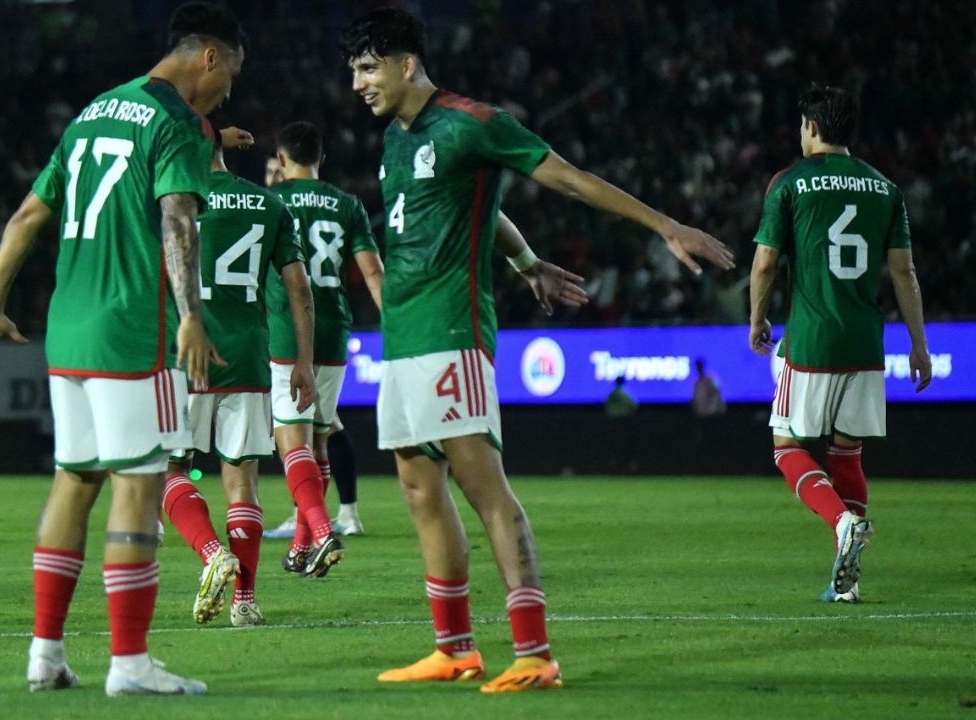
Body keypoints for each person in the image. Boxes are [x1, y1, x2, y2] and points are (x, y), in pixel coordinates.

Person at [341, 8, 734, 693]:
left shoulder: (473, 121)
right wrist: (528, 262)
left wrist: (664, 225)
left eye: (368, 68)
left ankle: (535, 652)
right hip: (401, 336)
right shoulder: (399, 141)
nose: (358, 84)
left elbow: (568, 177)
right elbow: (478, 212)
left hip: (451, 333)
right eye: (353, 71)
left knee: (482, 485)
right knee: (416, 486)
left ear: (408, 65)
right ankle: (454, 648)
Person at [0, 2, 244, 696]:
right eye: (230, 74)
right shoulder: (176, 122)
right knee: (138, 485)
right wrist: (190, 316)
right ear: (209, 57)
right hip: (126, 330)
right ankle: (130, 664)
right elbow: (178, 219)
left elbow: (28, 215)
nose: (228, 90)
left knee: (73, 480)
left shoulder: (92, 112)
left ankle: (44, 655)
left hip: (70, 329)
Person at [749, 85, 931, 604]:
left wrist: (757, 320)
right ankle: (847, 582)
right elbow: (904, 272)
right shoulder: (886, 188)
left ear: (810, 126)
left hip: (809, 338)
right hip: (864, 342)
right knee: (847, 454)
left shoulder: (789, 184)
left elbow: (765, 263)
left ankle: (842, 522)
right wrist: (918, 345)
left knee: (787, 448)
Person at [161, 141, 319, 629]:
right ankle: (245, 602)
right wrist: (304, 362)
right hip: (249, 357)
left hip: (186, 352)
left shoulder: (178, 198)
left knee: (170, 470)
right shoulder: (270, 204)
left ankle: (212, 554)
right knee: (242, 483)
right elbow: (299, 288)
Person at [263, 121, 384, 558]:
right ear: (322, 160)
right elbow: (372, 272)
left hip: (285, 328)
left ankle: (315, 531)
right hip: (334, 328)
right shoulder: (346, 205)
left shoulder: (270, 200)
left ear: (280, 159)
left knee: (290, 441)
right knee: (319, 438)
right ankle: (301, 544)